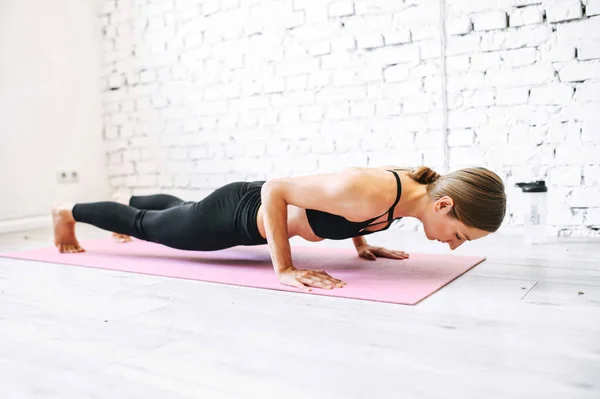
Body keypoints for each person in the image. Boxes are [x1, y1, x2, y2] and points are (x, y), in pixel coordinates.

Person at [52, 165, 506, 292]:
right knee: (150, 229)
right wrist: (284, 268)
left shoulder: (407, 197)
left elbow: (348, 212)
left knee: (178, 213)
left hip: (240, 208)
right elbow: (275, 189)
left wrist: (363, 245)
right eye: (460, 234)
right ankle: (67, 212)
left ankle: (138, 198)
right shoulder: (372, 190)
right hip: (237, 214)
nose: (453, 246)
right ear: (444, 204)